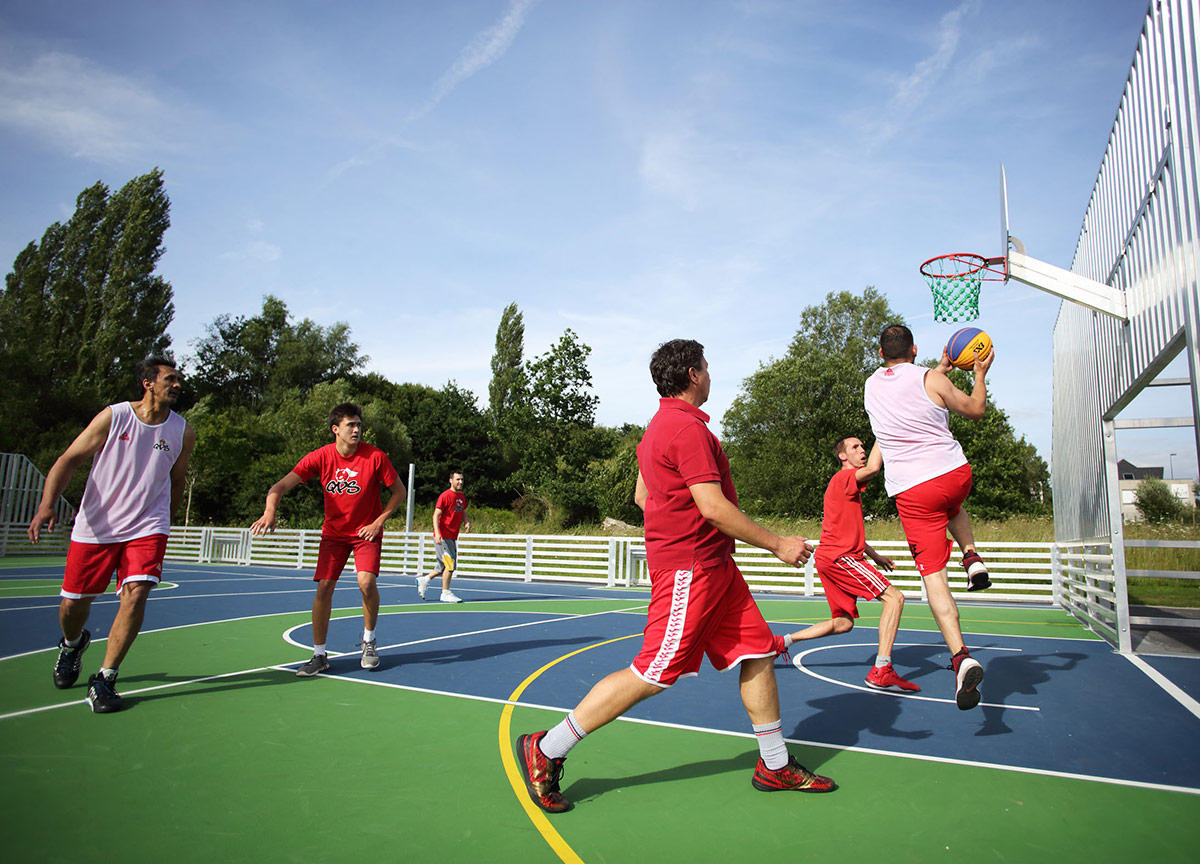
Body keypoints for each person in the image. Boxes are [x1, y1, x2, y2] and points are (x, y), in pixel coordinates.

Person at [515, 339, 835, 814]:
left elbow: (645, 499)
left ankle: (773, 762)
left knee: (758, 651)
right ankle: (548, 747)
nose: (710, 373)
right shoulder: (685, 429)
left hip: (715, 567)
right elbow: (711, 506)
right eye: (707, 366)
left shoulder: (657, 429)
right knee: (654, 671)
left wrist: (678, 526)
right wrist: (778, 544)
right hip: (692, 570)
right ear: (692, 373)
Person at [28, 358, 196, 713]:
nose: (177, 384)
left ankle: (105, 678)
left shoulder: (182, 431)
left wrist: (166, 518)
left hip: (147, 525)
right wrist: (47, 505)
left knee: (136, 595)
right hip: (97, 525)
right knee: (73, 606)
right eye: (170, 379)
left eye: (179, 379)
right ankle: (73, 644)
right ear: (148, 383)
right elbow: (68, 459)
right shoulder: (115, 416)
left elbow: (177, 480)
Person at [863, 323, 993, 710]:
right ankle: (971, 555)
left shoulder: (871, 386)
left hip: (914, 490)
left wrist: (938, 371)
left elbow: (904, 387)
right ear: (914, 349)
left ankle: (960, 657)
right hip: (954, 473)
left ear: (880, 352)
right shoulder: (931, 378)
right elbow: (976, 409)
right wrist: (980, 375)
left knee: (934, 579)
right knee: (952, 504)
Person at [251, 403, 404, 676]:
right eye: (351, 425)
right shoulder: (320, 457)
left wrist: (377, 522)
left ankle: (369, 642)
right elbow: (279, 487)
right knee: (324, 587)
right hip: (334, 534)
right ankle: (319, 655)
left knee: (366, 582)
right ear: (336, 429)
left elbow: (399, 492)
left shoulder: (376, 457)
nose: (357, 430)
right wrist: (269, 511)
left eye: (358, 425)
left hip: (364, 533)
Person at [774, 436, 919, 692]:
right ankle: (882, 670)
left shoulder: (845, 488)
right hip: (841, 558)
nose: (862, 450)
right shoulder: (843, 479)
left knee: (843, 623)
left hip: (831, 558)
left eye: (863, 446)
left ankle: (782, 642)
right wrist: (884, 432)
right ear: (843, 456)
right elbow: (874, 468)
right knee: (894, 599)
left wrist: (875, 556)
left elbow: (849, 531)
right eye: (855, 447)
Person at [416, 470, 471, 603]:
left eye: (462, 479)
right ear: (451, 480)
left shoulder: (461, 496)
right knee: (449, 563)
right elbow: (436, 515)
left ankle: (425, 579)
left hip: (452, 536)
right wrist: (437, 533)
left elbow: (462, 510)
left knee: (443, 566)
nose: (460, 482)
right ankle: (445, 593)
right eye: (457, 479)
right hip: (443, 535)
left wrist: (466, 521)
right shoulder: (445, 496)